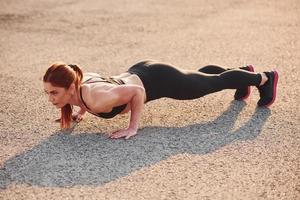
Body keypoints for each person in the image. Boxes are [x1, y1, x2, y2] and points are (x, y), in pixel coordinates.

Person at [43, 60, 279, 139]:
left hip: (157, 79)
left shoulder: (96, 98)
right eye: (48, 93)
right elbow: (85, 97)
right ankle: (241, 73)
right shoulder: (79, 88)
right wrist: (80, 112)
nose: (50, 98)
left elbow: (136, 92)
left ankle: (263, 78)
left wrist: (132, 128)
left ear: (71, 87)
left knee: (206, 85)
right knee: (198, 79)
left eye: (54, 92)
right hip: (145, 70)